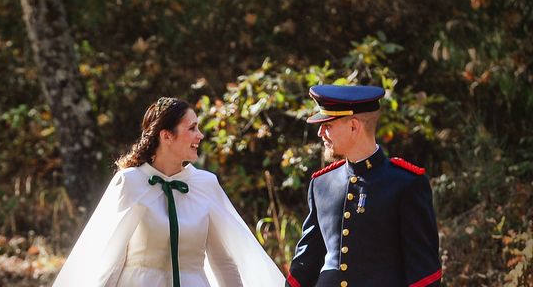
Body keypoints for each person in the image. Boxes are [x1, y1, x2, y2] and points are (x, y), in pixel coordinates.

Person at [52, 96, 285, 287]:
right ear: (166, 136)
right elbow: (108, 258)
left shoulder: (206, 184)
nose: (200, 135)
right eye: (192, 128)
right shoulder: (129, 182)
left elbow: (222, 260)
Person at [285, 85, 441, 287]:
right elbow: (305, 264)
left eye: (328, 125)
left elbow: (424, 274)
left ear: (353, 127)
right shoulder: (321, 184)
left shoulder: (406, 184)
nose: (320, 132)